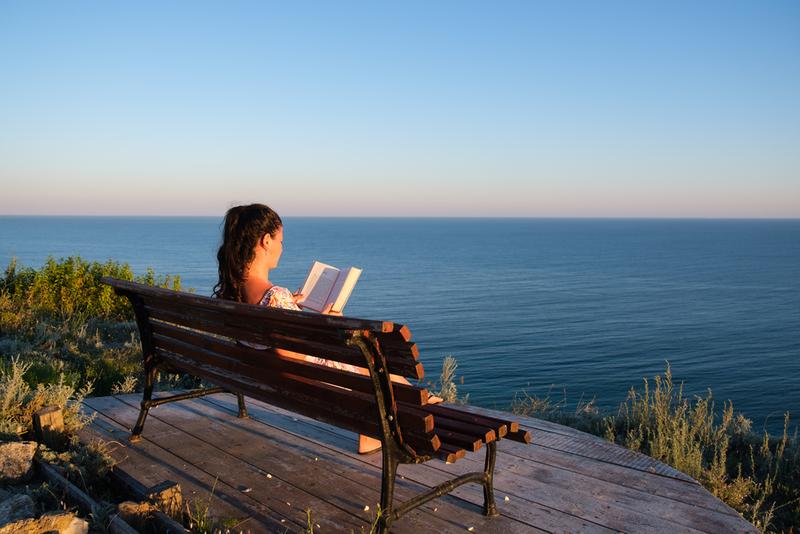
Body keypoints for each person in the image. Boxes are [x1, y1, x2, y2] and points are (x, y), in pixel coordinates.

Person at [213, 203, 418, 454]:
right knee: (377, 365)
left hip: (267, 377)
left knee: (381, 371)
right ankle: (419, 411)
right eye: (280, 241)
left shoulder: (232, 292)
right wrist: (323, 324)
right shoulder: (275, 296)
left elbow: (272, 343)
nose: (281, 248)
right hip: (308, 382)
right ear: (266, 241)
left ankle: (410, 409)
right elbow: (294, 355)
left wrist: (294, 312)